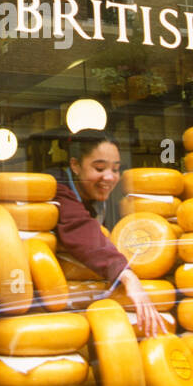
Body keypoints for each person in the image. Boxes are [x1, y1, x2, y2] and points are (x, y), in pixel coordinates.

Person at [51, 133, 167, 337]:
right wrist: (128, 276)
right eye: (99, 168)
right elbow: (80, 227)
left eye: (115, 169)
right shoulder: (55, 188)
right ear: (75, 165)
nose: (110, 177)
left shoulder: (102, 197)